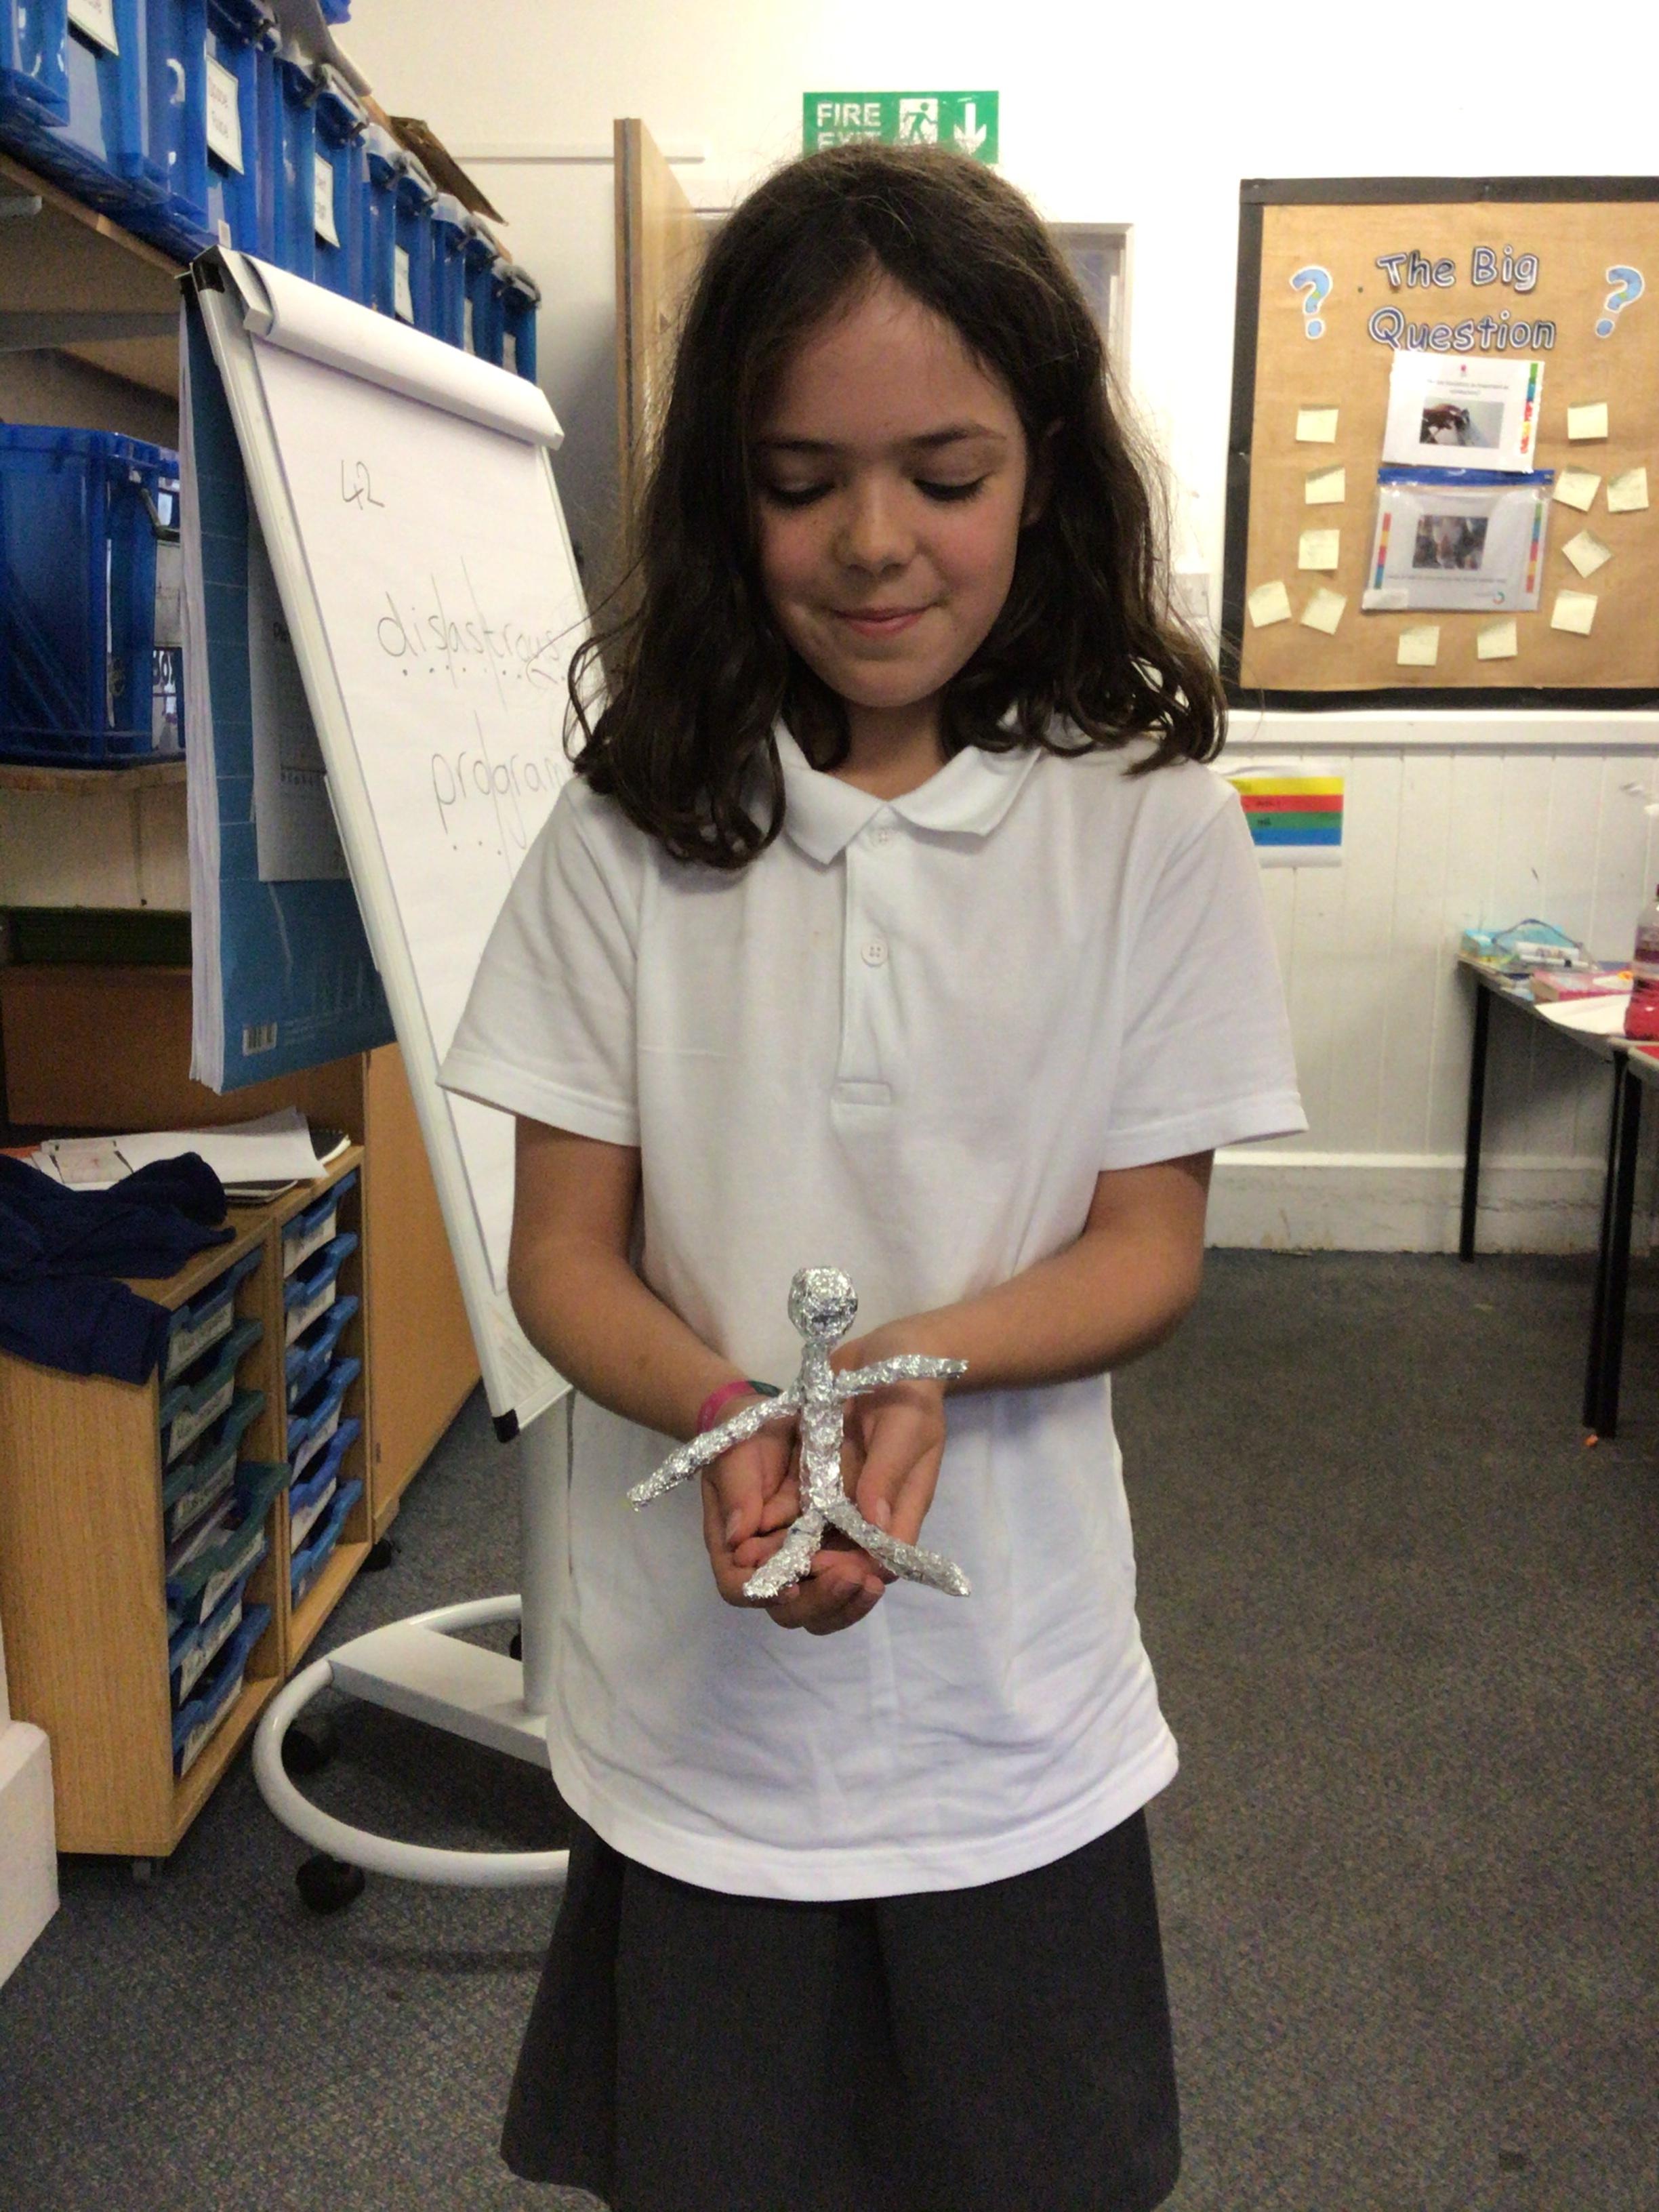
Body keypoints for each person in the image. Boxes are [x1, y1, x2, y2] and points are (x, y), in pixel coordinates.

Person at [440, 140, 1305, 2212]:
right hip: (701, 1713)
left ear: (1046, 473)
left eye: (947, 472)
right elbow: (562, 1253)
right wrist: (732, 1407)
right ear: (723, 494)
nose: (874, 541)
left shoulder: (1151, 821)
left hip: (1018, 1711)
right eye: (799, 478)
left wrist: (911, 1363)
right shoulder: (631, 823)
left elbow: (1149, 1245)